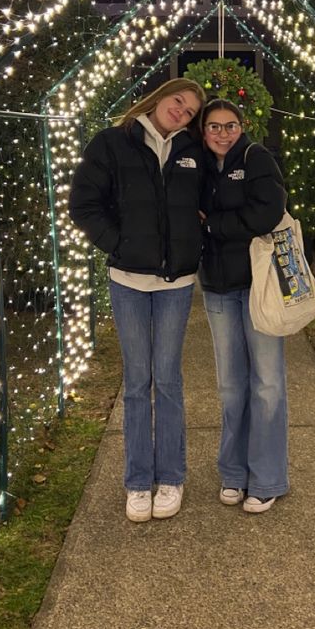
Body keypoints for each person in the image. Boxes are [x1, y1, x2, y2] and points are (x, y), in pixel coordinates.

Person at [69, 78, 206, 523]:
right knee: (136, 382)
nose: (181, 113)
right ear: (159, 97)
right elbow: (84, 204)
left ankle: (171, 476)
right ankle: (136, 480)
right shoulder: (113, 142)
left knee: (167, 380)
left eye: (189, 112)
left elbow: (211, 200)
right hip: (128, 279)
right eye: (178, 102)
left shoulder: (192, 150)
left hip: (176, 283)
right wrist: (119, 245)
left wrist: (196, 244)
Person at [199, 98, 289, 514]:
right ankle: (234, 474)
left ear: (241, 126)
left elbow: (267, 213)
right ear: (203, 132)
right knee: (231, 386)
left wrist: (216, 224)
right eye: (214, 127)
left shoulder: (257, 159)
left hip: (259, 287)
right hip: (218, 288)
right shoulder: (197, 166)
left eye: (229, 125)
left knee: (267, 385)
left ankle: (267, 478)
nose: (222, 133)